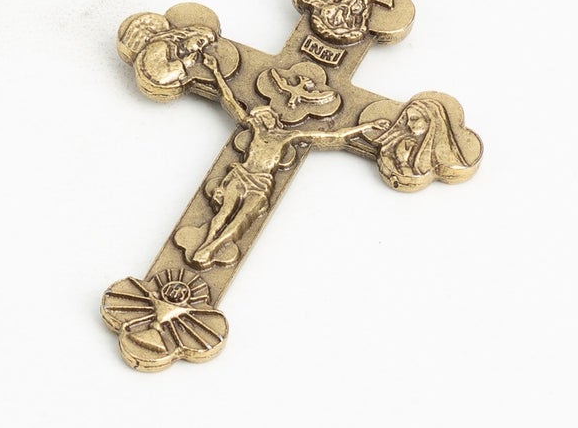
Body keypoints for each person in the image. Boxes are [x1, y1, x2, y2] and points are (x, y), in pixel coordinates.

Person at [186, 53, 369, 268]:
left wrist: (364, 128)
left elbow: (330, 136)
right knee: (222, 214)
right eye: (260, 116)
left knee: (241, 221)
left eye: (266, 115)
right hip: (242, 175)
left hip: (261, 184)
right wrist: (215, 71)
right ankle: (206, 242)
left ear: (274, 118)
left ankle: (213, 248)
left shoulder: (288, 136)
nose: (262, 117)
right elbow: (230, 101)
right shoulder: (255, 129)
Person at [361, 96, 480, 191]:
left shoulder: (446, 157)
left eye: (414, 119)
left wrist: (403, 162)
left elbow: (412, 174)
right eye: (407, 120)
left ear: (431, 120)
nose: (408, 124)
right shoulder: (402, 143)